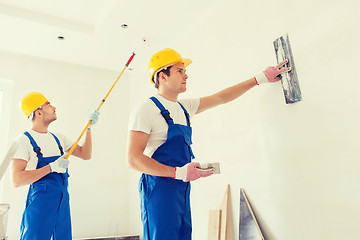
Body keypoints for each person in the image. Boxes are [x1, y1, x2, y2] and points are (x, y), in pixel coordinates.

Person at [127, 48, 290, 240]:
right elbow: (133, 159)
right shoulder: (146, 110)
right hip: (159, 188)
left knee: (183, 236)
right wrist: (179, 173)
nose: (186, 76)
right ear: (162, 76)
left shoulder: (184, 107)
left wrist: (260, 78)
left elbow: (221, 97)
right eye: (180, 71)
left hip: (182, 187)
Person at [11, 92, 100, 240]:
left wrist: (88, 128)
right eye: (48, 104)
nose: (54, 107)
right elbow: (17, 179)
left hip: (62, 200)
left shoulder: (59, 138)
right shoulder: (24, 141)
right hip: (40, 204)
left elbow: (85, 154)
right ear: (38, 112)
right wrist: (51, 168)